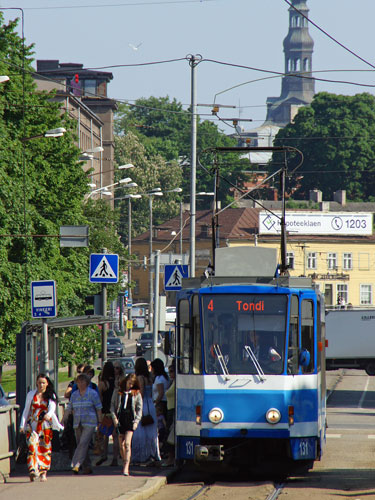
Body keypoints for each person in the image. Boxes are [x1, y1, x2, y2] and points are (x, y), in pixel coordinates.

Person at [20, 373, 63, 482]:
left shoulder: (50, 395)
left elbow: (52, 407)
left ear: (47, 383)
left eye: (43, 383)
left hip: (45, 427)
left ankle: (43, 472)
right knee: (32, 447)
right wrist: (22, 425)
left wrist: (48, 414)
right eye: (39, 383)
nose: (41, 385)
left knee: (44, 448)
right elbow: (26, 410)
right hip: (32, 425)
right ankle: (33, 469)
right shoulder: (31, 395)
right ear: (36, 383)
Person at [64, 373, 102, 475]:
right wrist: (65, 417)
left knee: (83, 443)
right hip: (77, 422)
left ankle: (76, 464)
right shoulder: (75, 394)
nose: (80, 383)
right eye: (79, 381)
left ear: (87, 383)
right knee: (80, 444)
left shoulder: (93, 393)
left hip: (90, 422)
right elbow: (69, 407)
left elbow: (98, 408)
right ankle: (87, 466)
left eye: (83, 381)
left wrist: (100, 421)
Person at [131, 357, 161, 464]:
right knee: (151, 432)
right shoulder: (150, 377)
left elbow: (141, 392)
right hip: (150, 405)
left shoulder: (139, 378)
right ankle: (152, 453)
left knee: (140, 432)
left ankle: (141, 456)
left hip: (143, 405)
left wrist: (136, 404)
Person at [111, 374, 142, 475]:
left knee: (127, 443)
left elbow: (139, 409)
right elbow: (112, 407)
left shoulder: (136, 394)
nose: (130, 386)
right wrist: (115, 419)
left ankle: (126, 466)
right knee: (121, 445)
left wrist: (136, 422)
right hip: (120, 420)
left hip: (130, 420)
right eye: (129, 383)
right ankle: (124, 459)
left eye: (132, 384)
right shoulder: (118, 392)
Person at [96, 361, 119, 466]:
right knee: (115, 436)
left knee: (105, 435)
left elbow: (99, 399)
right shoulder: (117, 382)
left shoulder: (102, 383)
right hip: (115, 411)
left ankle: (104, 455)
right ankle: (115, 458)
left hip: (105, 412)